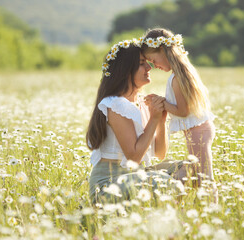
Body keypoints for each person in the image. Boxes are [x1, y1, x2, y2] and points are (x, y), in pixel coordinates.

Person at [86, 39, 198, 204]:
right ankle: (165, 219)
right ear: (126, 70)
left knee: (194, 168)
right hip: (109, 185)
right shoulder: (116, 104)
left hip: (134, 176)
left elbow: (160, 153)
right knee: (163, 181)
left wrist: (160, 119)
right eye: (141, 64)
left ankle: (167, 215)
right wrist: (153, 119)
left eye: (148, 63)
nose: (149, 67)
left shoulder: (141, 103)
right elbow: (133, 159)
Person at [141, 28, 217, 193]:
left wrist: (161, 102)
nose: (154, 66)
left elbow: (183, 111)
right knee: (199, 172)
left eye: (153, 60)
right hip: (198, 130)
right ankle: (203, 204)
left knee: (204, 176)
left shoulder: (177, 78)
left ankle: (211, 206)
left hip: (199, 132)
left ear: (162, 50)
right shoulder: (180, 73)